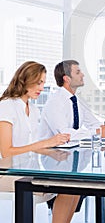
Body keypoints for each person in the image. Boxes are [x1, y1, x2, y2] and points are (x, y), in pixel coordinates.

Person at [0, 61, 80, 223]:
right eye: (38, 82)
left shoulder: (34, 110)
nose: (42, 88)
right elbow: (6, 152)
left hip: (27, 168)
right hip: (7, 173)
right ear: (24, 80)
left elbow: (34, 147)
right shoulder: (6, 106)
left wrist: (55, 151)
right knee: (68, 186)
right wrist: (46, 143)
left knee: (76, 186)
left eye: (43, 82)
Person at [40, 60, 105, 141]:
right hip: (53, 154)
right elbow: (64, 134)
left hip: (72, 151)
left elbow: (93, 123)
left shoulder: (77, 100)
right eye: (78, 72)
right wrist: (97, 132)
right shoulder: (55, 102)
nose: (82, 75)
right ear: (67, 79)